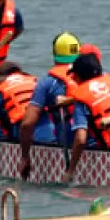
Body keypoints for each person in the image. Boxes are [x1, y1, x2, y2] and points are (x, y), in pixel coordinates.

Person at [61, 53, 110, 184]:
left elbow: (80, 139)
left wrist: (70, 170)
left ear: (79, 77)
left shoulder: (81, 99)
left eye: (74, 75)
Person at [16, 31, 83, 179]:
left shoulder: (47, 83)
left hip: (69, 146)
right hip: (101, 141)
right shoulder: (96, 76)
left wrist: (25, 156)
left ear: (54, 56)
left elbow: (27, 123)